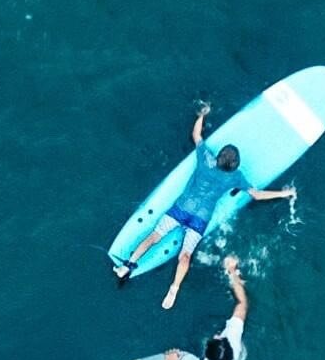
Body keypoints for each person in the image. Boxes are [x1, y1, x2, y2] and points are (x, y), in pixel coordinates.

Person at [113, 104, 294, 309]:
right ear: (234, 165)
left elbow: (196, 135)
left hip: (181, 209)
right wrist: (285, 192)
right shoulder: (236, 177)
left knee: (154, 237)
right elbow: (257, 195)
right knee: (186, 255)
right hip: (200, 220)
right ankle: (174, 289)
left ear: (219, 158)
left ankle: (127, 266)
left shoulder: (206, 159)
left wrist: (202, 114)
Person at [165, 255, 248, 360]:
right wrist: (232, 272)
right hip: (235, 356)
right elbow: (242, 303)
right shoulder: (233, 337)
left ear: (208, 359)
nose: (217, 335)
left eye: (215, 339)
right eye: (220, 338)